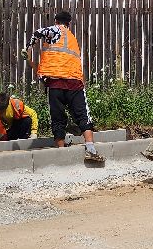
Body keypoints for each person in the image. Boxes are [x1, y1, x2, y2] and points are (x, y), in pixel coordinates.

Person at [25, 9, 102, 163]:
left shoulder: (56, 30)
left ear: (56, 21)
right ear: (69, 23)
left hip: (55, 84)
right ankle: (91, 149)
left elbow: (38, 32)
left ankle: (61, 152)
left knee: (58, 118)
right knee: (83, 115)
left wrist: (28, 47)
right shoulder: (73, 39)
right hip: (74, 83)